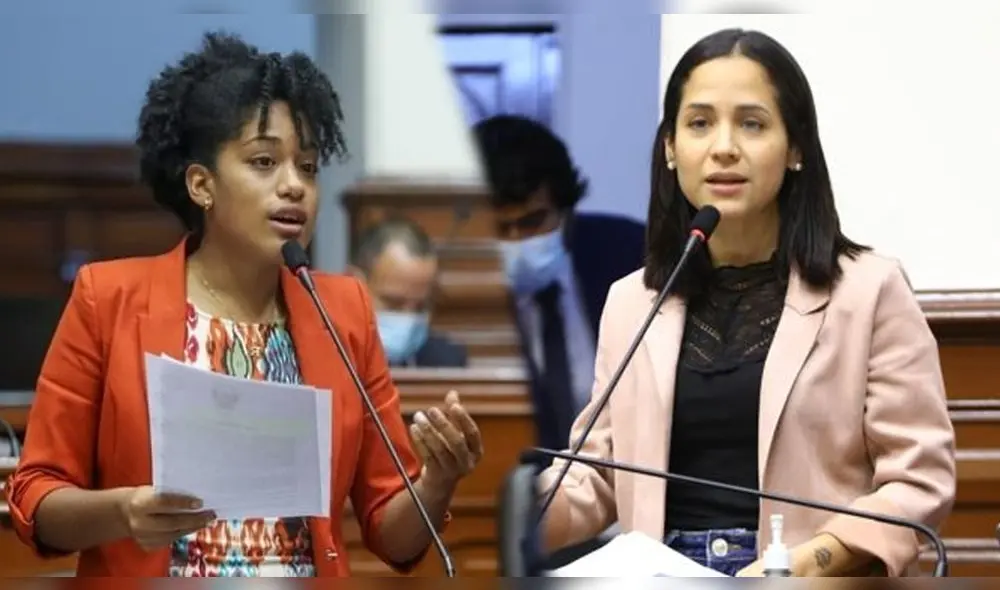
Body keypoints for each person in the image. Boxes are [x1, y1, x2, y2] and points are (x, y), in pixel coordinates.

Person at [5, 32, 484, 578]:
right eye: (263, 161)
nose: (294, 186)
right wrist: (123, 512)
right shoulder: (108, 298)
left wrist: (437, 481)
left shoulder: (344, 310)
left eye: (308, 167)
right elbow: (36, 498)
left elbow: (392, 534)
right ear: (202, 185)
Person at [536, 28, 956, 577]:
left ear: (796, 148)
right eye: (699, 123)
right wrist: (514, 510)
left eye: (752, 124)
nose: (724, 147)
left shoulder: (869, 290)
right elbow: (597, 475)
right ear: (670, 148)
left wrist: (805, 564)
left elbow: (918, 480)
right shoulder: (632, 302)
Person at [472, 114, 645, 452]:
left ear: (566, 211)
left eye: (532, 221)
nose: (516, 240)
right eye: (499, 229)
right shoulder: (456, 295)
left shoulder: (631, 255)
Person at [349, 215, 468, 368]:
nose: (408, 319)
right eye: (394, 304)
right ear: (351, 284)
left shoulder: (447, 363)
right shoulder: (327, 358)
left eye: (420, 307)